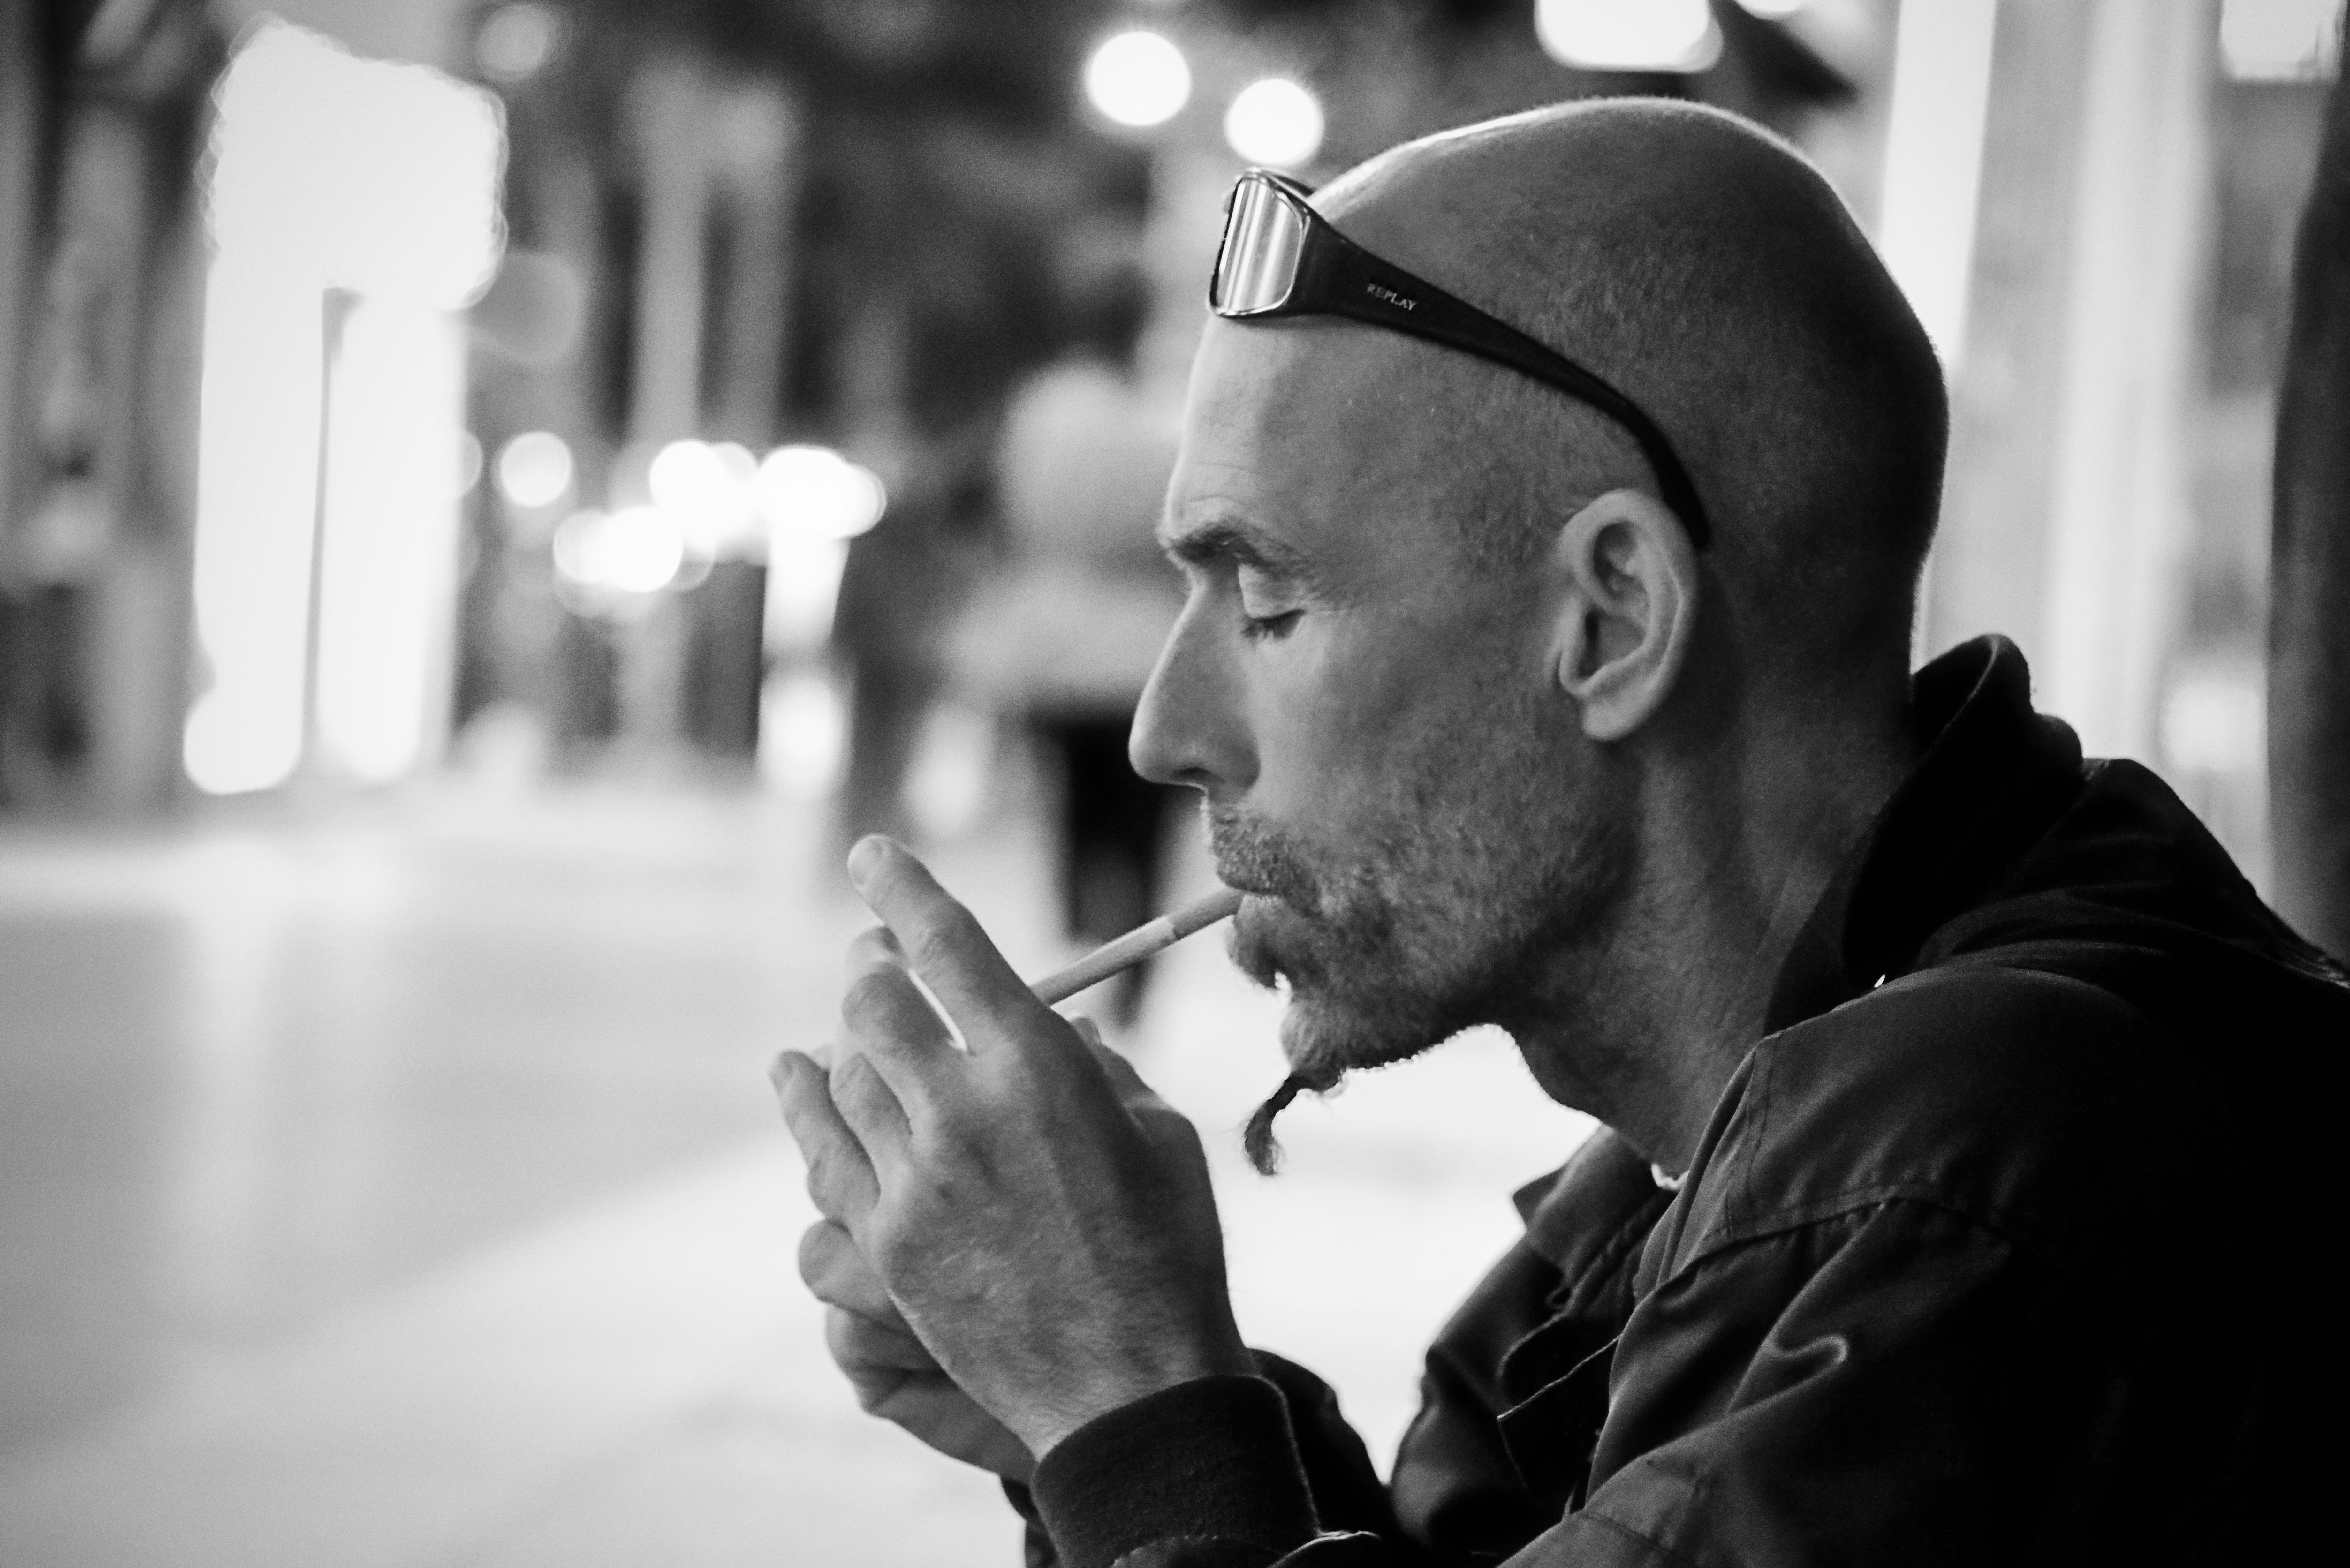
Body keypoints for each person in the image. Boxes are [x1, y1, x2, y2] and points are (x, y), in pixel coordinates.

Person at [771, 100, 2342, 1567]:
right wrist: (1103, 1418)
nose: (1163, 731)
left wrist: (1141, 1421)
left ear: (1610, 619)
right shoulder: (1704, 1182)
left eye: (1268, 604)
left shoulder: (1971, 1187)